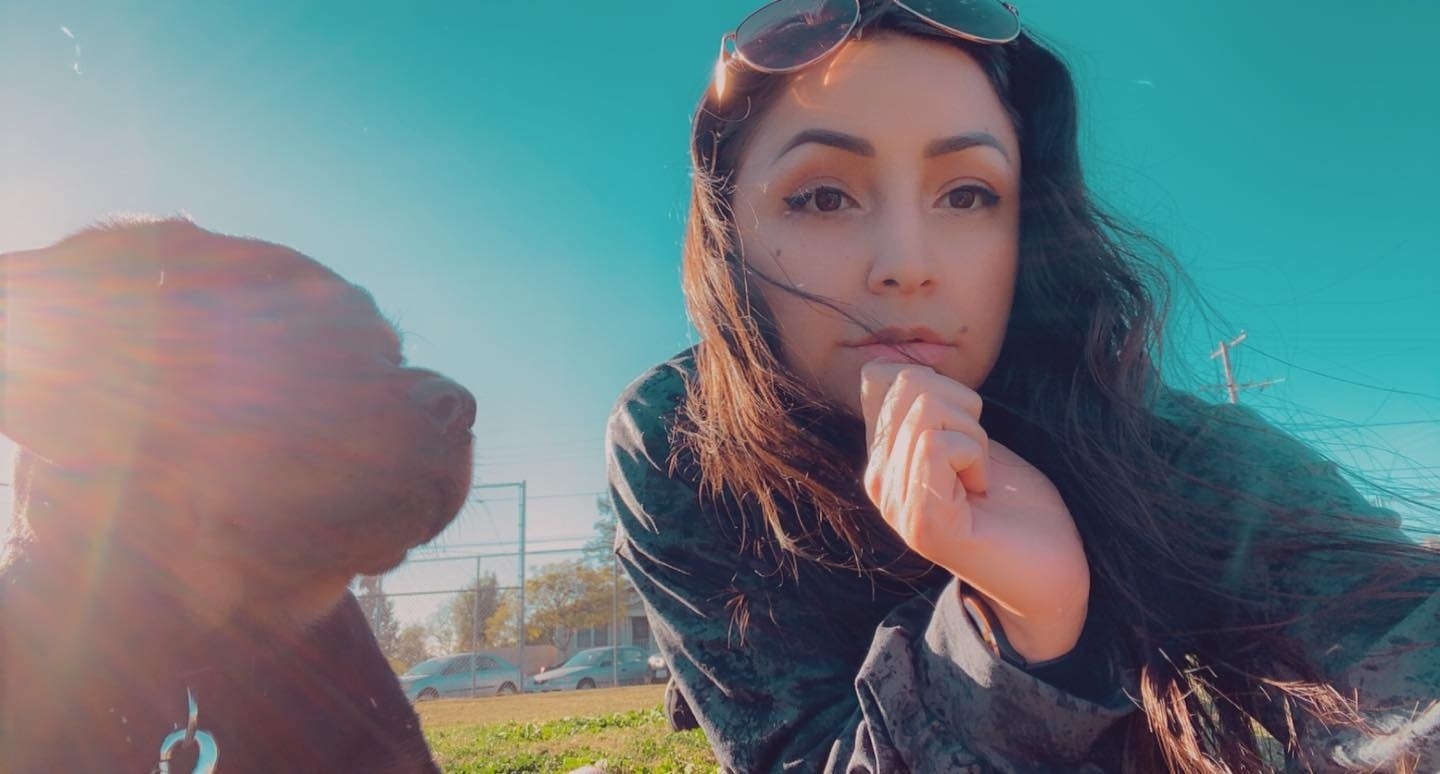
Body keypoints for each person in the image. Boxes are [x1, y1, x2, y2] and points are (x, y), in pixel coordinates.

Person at [606, 1, 1439, 771]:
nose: (907, 265)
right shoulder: (679, 439)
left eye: (968, 194)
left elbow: (1403, 661)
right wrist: (1014, 635)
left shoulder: (1167, 452)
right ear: (729, 238)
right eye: (823, 197)